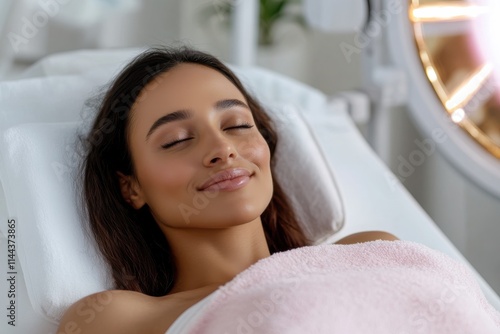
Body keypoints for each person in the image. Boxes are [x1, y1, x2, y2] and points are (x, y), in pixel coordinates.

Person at [57, 46, 397, 334]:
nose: (223, 148)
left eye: (237, 125)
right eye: (178, 140)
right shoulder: (118, 319)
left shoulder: (371, 253)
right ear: (130, 187)